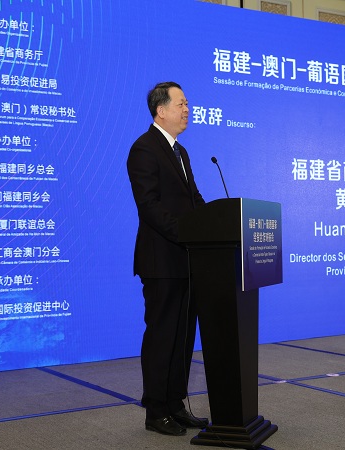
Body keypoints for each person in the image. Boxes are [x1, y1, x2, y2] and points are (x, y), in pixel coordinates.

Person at [127, 81, 208, 436]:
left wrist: (213, 224)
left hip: (187, 261)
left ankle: (175, 404)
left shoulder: (181, 152)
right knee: (162, 337)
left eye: (187, 103)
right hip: (161, 261)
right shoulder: (144, 149)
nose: (187, 109)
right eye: (181, 103)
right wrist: (187, 232)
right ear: (161, 110)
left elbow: (194, 200)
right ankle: (156, 411)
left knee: (183, 338)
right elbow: (149, 206)